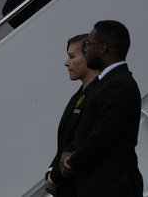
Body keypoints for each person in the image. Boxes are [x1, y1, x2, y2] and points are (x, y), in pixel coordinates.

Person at [59, 20, 143, 197]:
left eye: (89, 44)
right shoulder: (105, 83)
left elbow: (101, 136)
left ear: (103, 48)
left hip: (111, 187)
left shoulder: (118, 85)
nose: (86, 49)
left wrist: (71, 162)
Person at [45, 34, 100, 197]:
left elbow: (82, 141)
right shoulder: (79, 95)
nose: (66, 63)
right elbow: (65, 143)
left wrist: (55, 176)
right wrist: (51, 171)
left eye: (72, 56)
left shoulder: (99, 94)